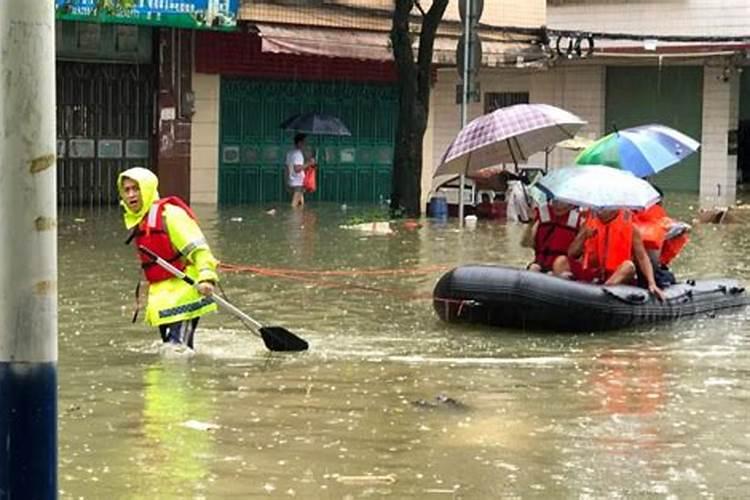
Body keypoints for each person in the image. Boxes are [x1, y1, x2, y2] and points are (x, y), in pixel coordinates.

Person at [118, 167, 218, 349]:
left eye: (136, 188)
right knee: (170, 350)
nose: (131, 194)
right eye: (127, 190)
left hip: (186, 294)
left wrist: (207, 278)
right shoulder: (141, 220)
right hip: (163, 298)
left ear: (147, 189)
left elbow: (200, 249)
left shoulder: (171, 215)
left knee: (177, 352)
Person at [562, 208, 666, 300]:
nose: (600, 210)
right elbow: (572, 254)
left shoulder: (631, 227)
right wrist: (584, 235)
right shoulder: (588, 224)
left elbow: (642, 257)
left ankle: (600, 294)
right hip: (592, 273)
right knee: (560, 260)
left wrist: (651, 283)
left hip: (616, 275)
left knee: (628, 266)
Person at [524, 200, 582, 274]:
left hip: (561, 268)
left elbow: (577, 255)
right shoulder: (541, 214)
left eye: (562, 202)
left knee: (563, 274)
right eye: (555, 201)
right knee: (534, 268)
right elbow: (526, 244)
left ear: (571, 204)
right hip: (540, 264)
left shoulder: (579, 221)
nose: (558, 205)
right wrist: (531, 223)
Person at [286, 133, 316, 208]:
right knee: (294, 205)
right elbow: (297, 169)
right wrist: (309, 163)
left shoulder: (290, 153)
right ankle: (293, 218)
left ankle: (300, 218)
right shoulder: (298, 154)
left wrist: (286, 181)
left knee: (301, 204)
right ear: (300, 143)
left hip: (293, 181)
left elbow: (286, 168)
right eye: (304, 142)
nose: (306, 144)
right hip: (298, 183)